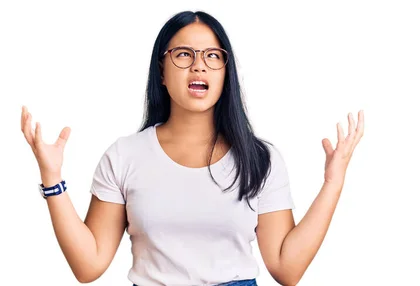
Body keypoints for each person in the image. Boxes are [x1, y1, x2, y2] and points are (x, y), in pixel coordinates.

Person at [20, 10, 364, 286]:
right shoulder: (124, 155)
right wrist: (52, 178)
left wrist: (333, 183)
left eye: (213, 55)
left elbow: (287, 269)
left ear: (225, 73)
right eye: (184, 54)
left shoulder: (260, 159)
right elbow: (88, 265)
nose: (199, 64)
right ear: (162, 71)